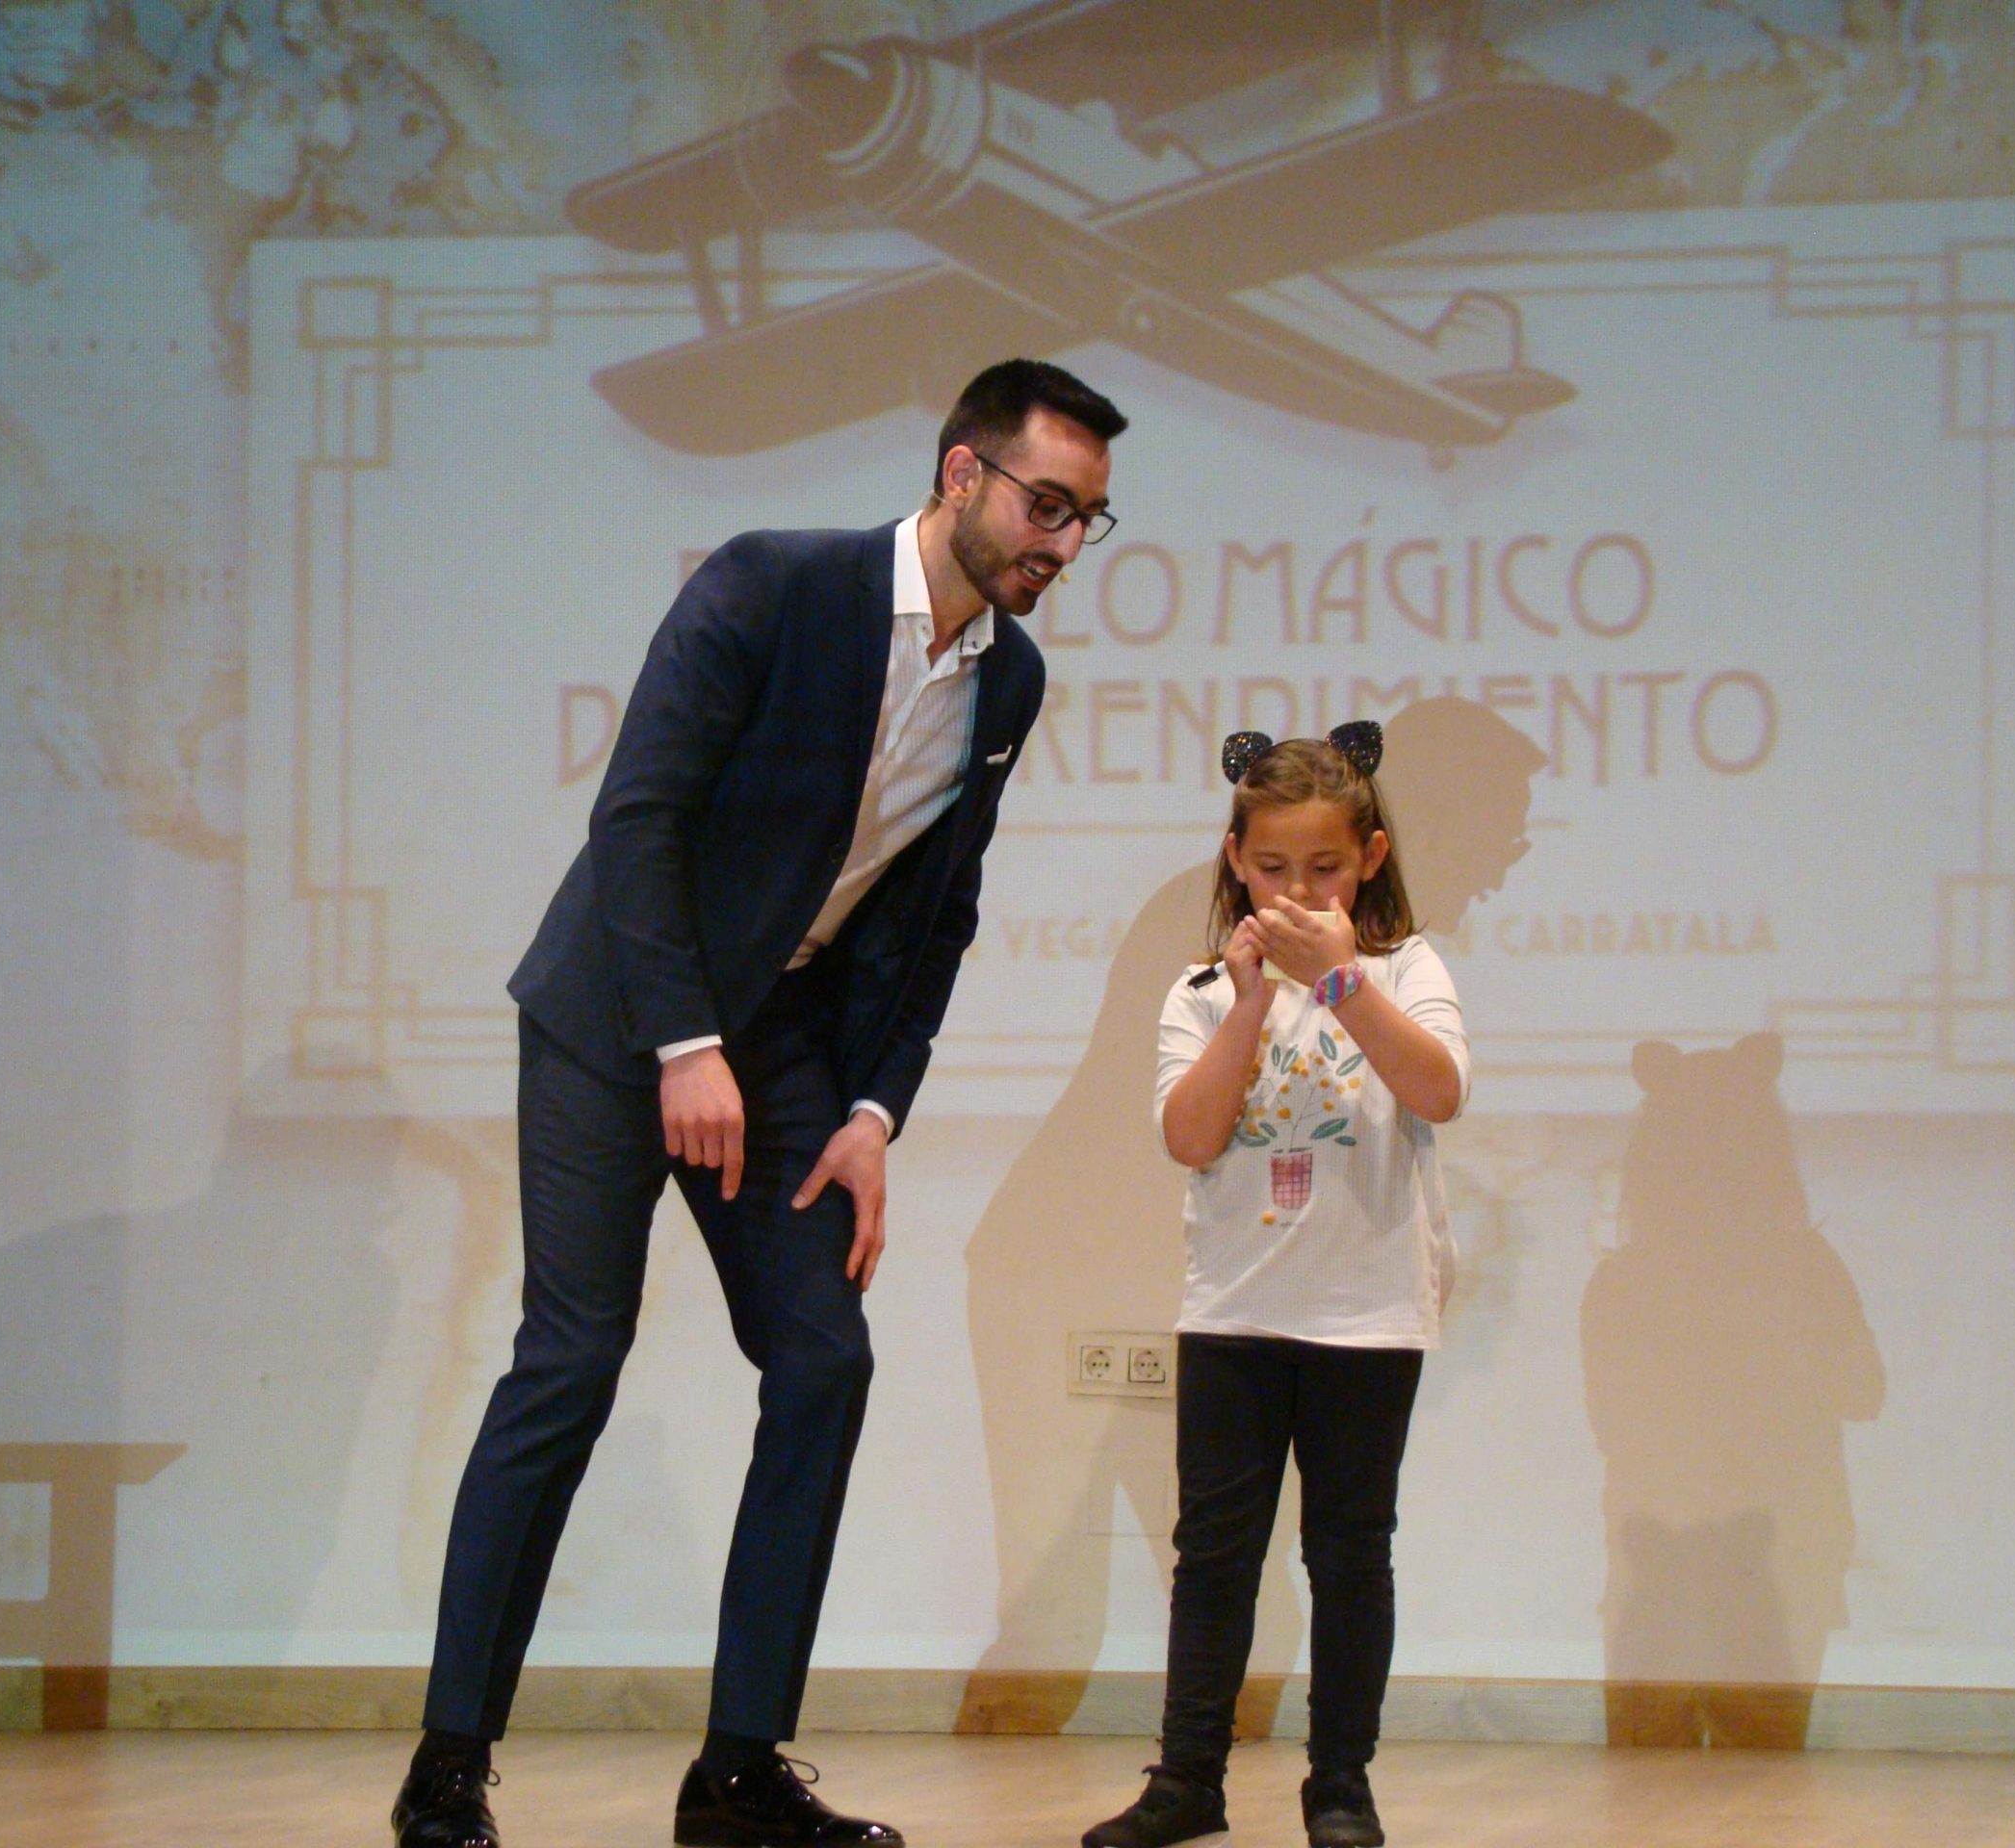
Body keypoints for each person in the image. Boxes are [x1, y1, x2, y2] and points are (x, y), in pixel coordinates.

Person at [389, 358, 1125, 1848]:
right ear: (961, 474)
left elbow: (938, 914)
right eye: (1046, 504)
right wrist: (681, 1041)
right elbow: (638, 817)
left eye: (1087, 520)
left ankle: (735, 1774)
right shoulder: (773, 585)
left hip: (781, 1044)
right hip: (618, 1014)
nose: (1061, 541)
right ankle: (449, 1763)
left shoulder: (1009, 681)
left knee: (824, 1358)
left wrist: (873, 1111)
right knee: (571, 1361)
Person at [1082, 724, 1468, 1848]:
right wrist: (1252, 1003)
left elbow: (1437, 1091)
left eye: (1325, 867)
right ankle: (1187, 1781)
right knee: (1214, 1555)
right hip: (1234, 1313)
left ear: (1371, 858)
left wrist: (1339, 979)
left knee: (1348, 1553)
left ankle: (1339, 1785)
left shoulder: (1404, 970)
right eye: (1272, 867)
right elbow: (1190, 1136)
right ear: (1235, 861)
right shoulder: (1202, 990)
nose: (1298, 891)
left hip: (1367, 1315)